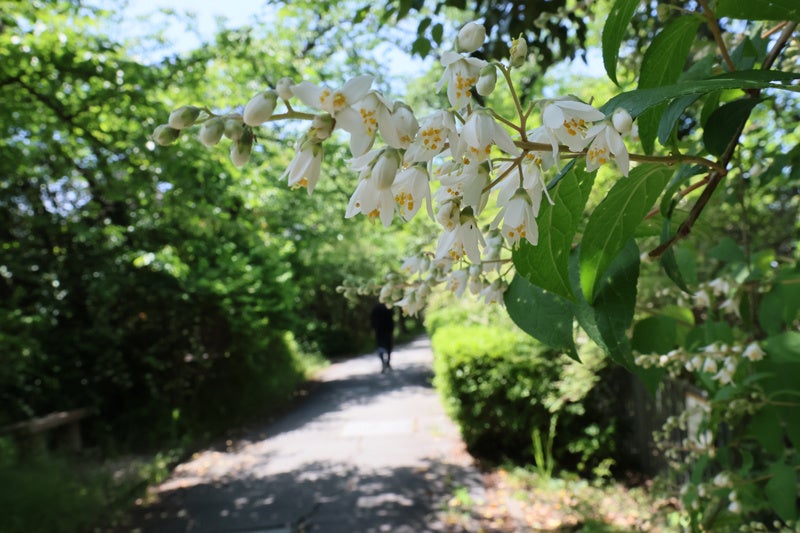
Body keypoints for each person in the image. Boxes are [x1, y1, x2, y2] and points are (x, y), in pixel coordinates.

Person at [370, 302, 395, 373]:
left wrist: (373, 330)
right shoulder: (388, 306)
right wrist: (392, 331)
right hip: (387, 330)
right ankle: (388, 362)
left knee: (380, 347)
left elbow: (372, 320)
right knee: (388, 347)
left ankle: (383, 362)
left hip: (378, 331)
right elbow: (391, 320)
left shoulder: (375, 307)